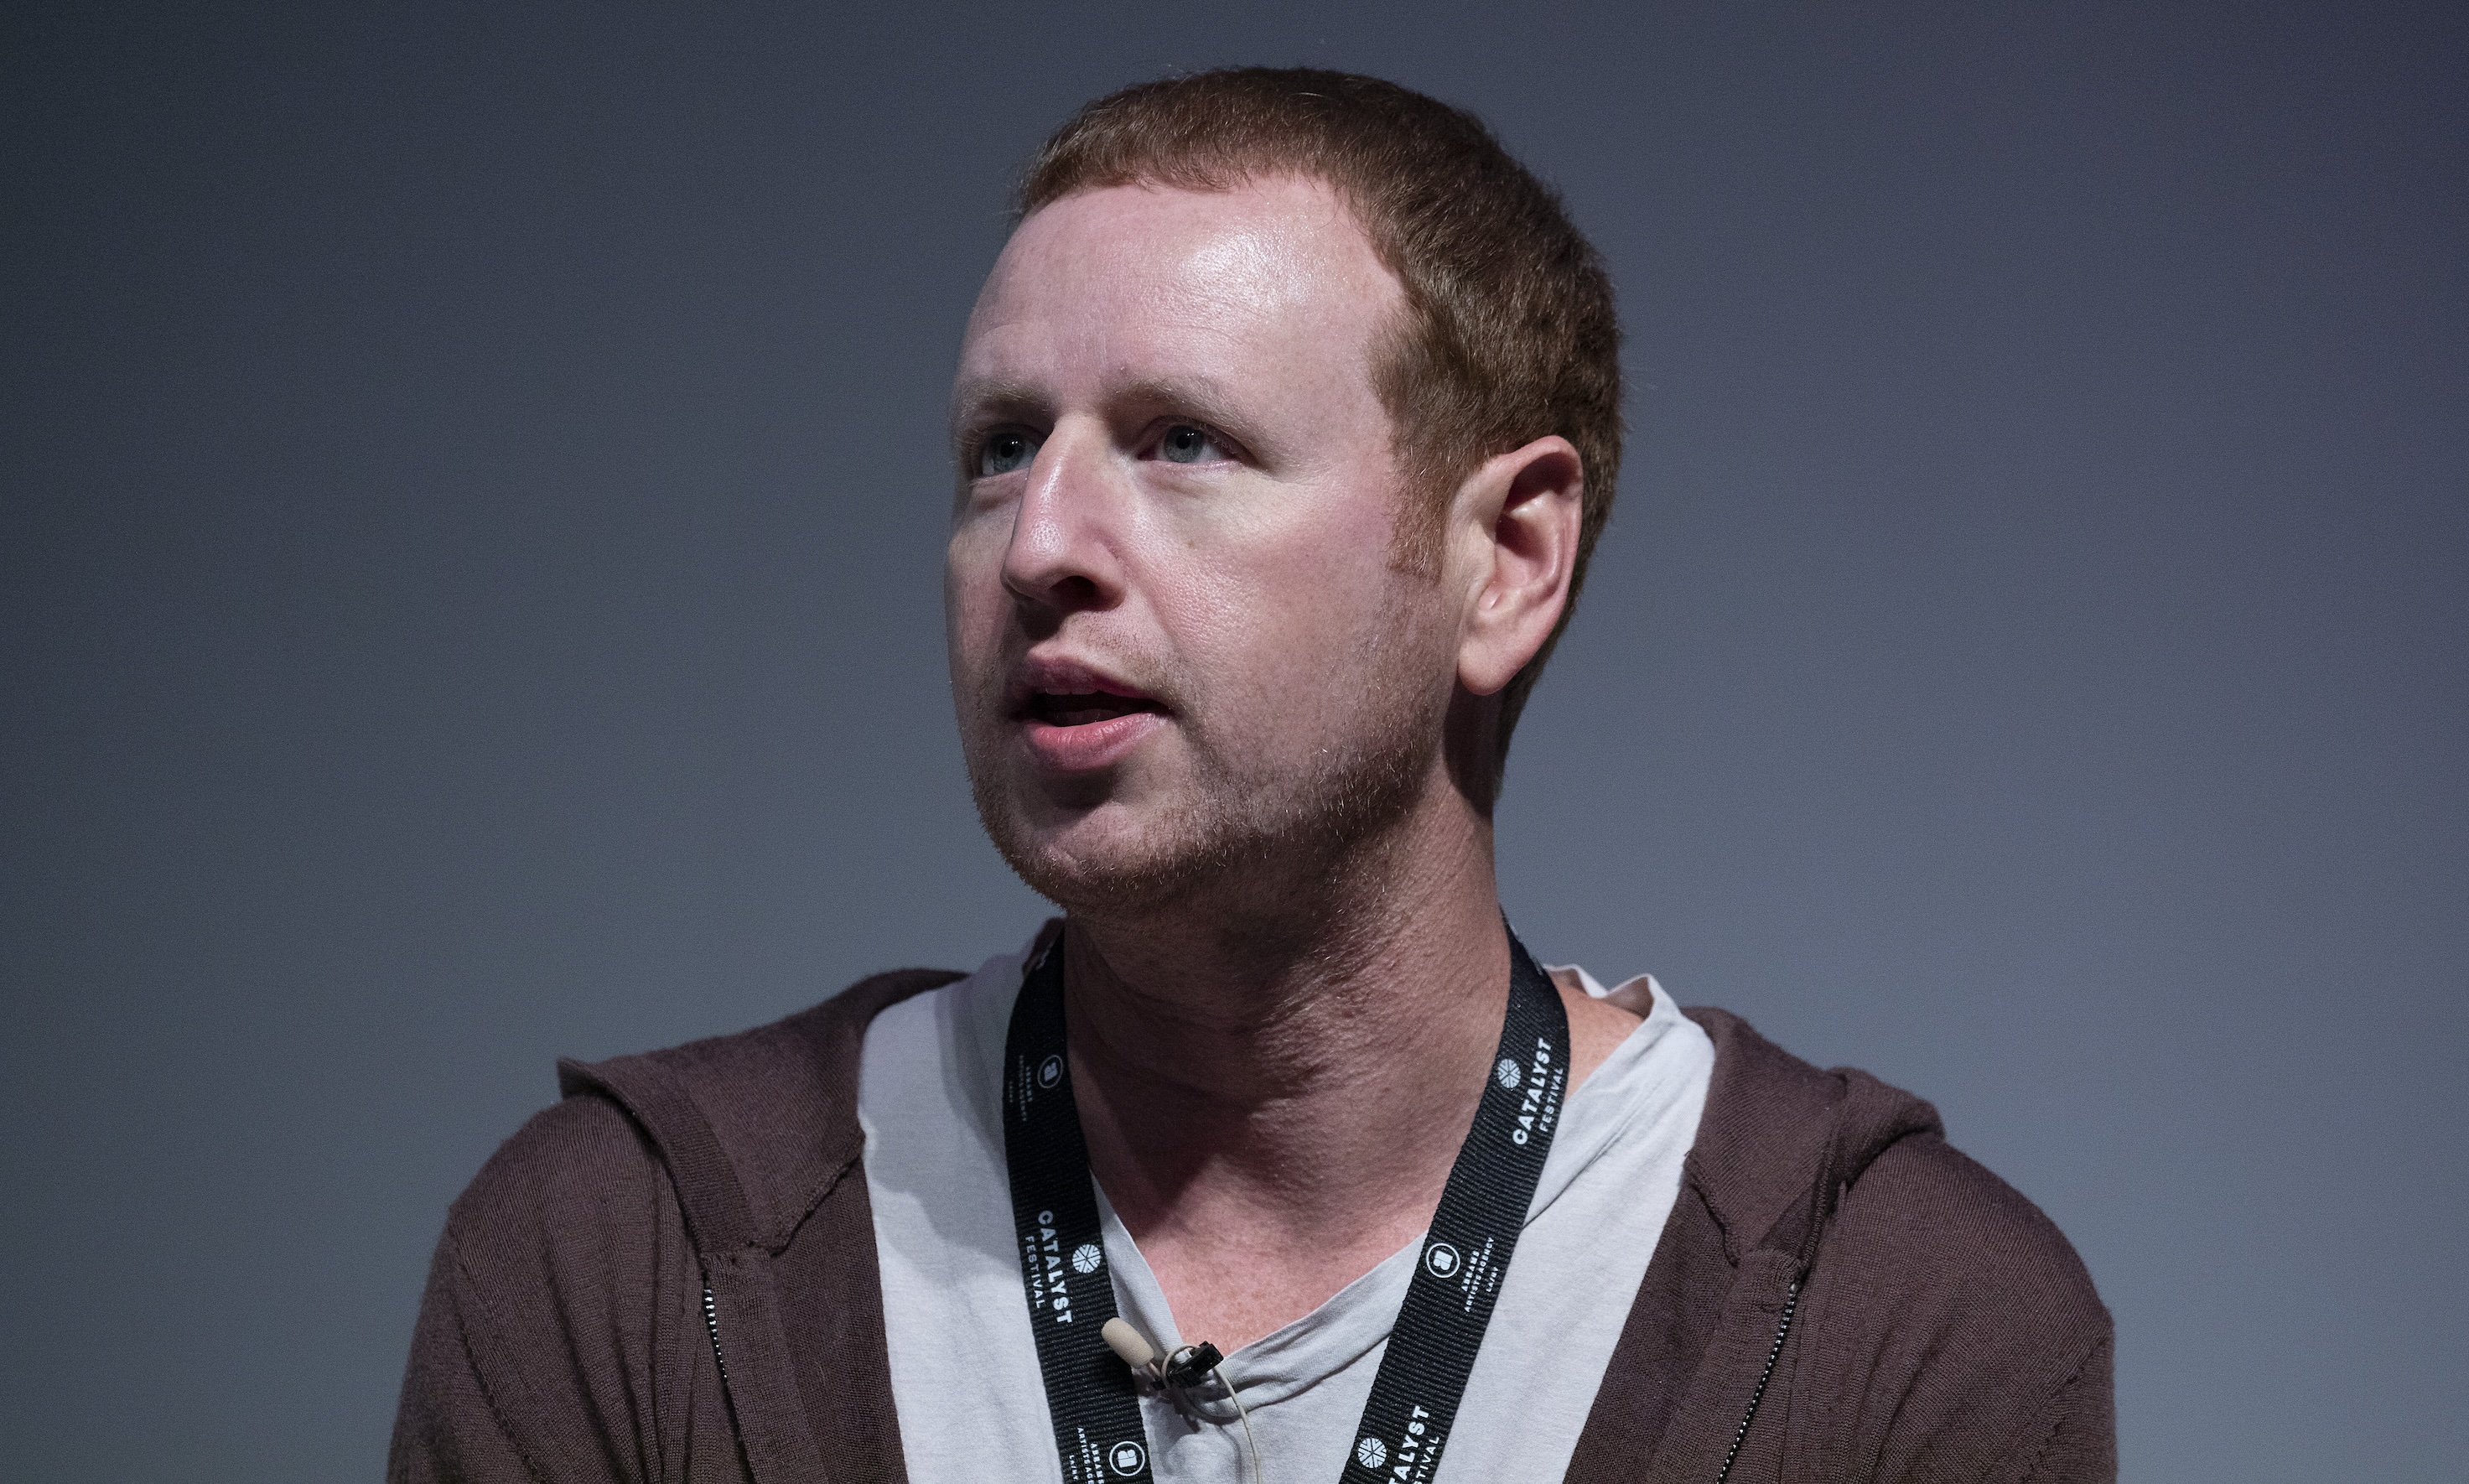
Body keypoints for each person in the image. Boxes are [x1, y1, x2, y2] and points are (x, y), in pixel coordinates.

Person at [391, 67, 2113, 1484]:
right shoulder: (632, 1256)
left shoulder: (1897, 1326)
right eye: (1001, 448)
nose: (1038, 545)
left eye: (1182, 442)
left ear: (1508, 559)